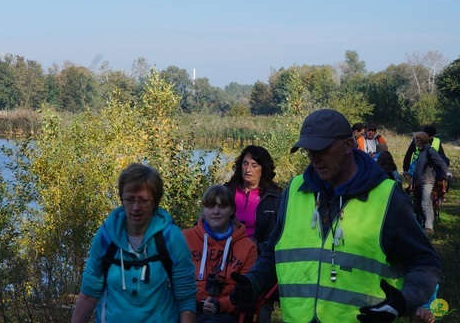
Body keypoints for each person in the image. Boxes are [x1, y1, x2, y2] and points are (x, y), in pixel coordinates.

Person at [229, 109, 441, 322]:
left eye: (321, 149)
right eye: (308, 151)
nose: (314, 158)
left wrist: (404, 300)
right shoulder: (294, 190)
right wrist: (253, 282)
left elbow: (424, 261)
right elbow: (274, 250)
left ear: (348, 145)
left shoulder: (386, 196)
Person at [71, 163, 197, 323]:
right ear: (122, 200)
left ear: (155, 201)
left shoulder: (171, 238)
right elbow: (88, 295)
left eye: (144, 200)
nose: (136, 207)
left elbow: (186, 301)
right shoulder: (106, 237)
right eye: (129, 199)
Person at [223, 145, 282, 322]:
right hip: (226, 257)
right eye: (245, 164)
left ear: (263, 169)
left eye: (254, 165)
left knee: (259, 311)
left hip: (258, 259)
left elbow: (278, 237)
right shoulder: (227, 191)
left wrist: (257, 247)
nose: (248, 170)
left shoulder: (275, 198)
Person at [183, 185, 258, 323]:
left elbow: (246, 292)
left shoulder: (248, 247)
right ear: (204, 210)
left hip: (227, 312)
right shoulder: (185, 238)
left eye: (222, 206)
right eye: (211, 206)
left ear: (232, 210)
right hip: (190, 308)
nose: (216, 211)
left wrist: (220, 305)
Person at [410, 131, 452, 236]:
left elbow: (440, 161)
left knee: (426, 203)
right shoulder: (421, 151)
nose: (415, 141)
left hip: (428, 181)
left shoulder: (430, 150)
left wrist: (447, 172)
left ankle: (429, 227)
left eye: (416, 140)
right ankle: (421, 223)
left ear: (420, 140)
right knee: (418, 203)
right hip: (420, 181)